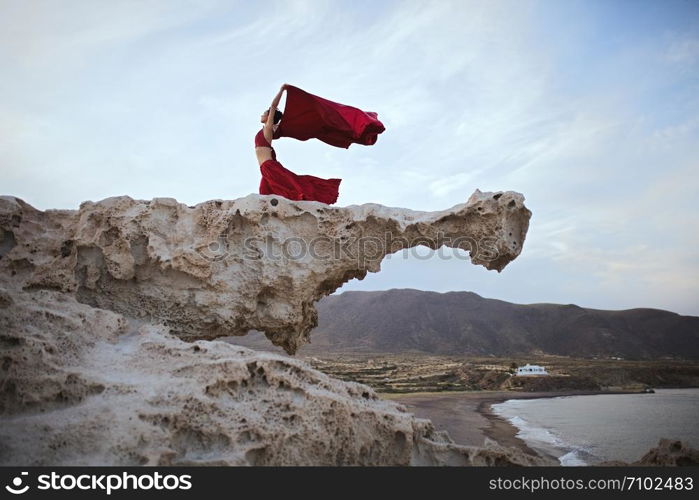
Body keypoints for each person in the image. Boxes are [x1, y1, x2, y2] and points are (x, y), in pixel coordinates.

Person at [255, 84, 341, 204]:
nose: (262, 115)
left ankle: (320, 195)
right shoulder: (268, 129)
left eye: (265, 113)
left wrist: (282, 90)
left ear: (270, 116)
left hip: (269, 167)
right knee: (265, 194)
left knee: (292, 188)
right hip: (264, 169)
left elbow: (274, 106)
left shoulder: (268, 129)